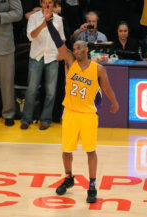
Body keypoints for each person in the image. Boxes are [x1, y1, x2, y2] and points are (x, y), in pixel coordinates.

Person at [43, 7, 119, 203]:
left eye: (78, 48)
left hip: (87, 115)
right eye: (74, 48)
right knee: (66, 150)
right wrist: (49, 22)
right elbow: (58, 42)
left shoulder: (98, 69)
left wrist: (114, 103)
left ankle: (92, 185)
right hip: (69, 113)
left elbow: (108, 88)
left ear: (86, 49)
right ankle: (69, 178)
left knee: (90, 151)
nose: (75, 51)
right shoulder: (69, 61)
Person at [20, 0, 65, 130]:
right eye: (45, 2)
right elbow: (31, 36)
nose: (47, 5)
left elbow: (62, 39)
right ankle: (26, 119)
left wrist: (61, 54)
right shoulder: (34, 18)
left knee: (51, 91)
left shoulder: (58, 20)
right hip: (36, 56)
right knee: (32, 89)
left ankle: (45, 119)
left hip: (52, 57)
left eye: (50, 2)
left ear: (53, 4)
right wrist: (44, 24)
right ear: (40, 3)